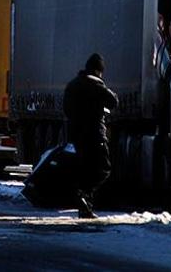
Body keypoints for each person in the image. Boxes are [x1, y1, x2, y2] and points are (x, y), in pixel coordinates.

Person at [62, 52, 119, 219]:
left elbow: (66, 109)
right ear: (98, 71)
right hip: (95, 134)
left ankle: (85, 207)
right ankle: (83, 194)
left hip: (76, 135)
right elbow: (113, 101)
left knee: (85, 168)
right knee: (103, 168)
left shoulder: (72, 85)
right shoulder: (96, 85)